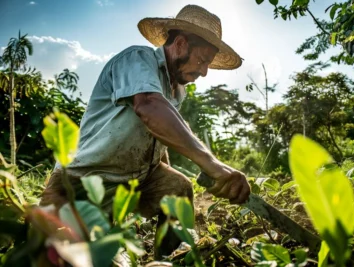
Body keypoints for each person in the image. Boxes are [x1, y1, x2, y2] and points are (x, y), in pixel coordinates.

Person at [40, 4, 250, 259]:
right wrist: (214, 165)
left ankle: (166, 259)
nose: (204, 71)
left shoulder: (177, 89)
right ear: (181, 43)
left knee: (178, 188)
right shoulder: (137, 59)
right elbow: (149, 107)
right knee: (64, 252)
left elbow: (157, 134)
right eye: (202, 60)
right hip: (85, 177)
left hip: (136, 179)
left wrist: (166, 168)